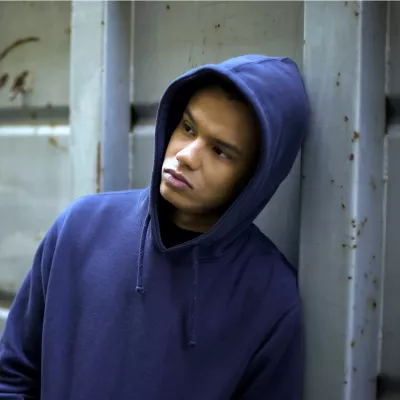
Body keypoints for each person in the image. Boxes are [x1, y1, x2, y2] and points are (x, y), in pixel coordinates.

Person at [0, 55, 309, 399]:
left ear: (255, 177)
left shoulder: (270, 294)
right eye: (188, 128)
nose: (187, 155)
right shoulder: (79, 228)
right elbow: (12, 375)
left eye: (220, 151)